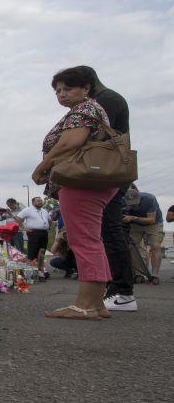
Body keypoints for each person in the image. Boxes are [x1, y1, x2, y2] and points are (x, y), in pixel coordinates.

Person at [32, 66, 117, 320]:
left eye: (67, 88)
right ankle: (96, 302)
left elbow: (71, 141)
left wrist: (42, 167)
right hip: (94, 183)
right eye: (57, 90)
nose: (61, 94)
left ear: (86, 88)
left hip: (80, 182)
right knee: (92, 240)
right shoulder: (91, 110)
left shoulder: (85, 109)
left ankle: (85, 304)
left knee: (83, 241)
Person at [76, 67, 136, 312]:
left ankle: (123, 292)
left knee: (110, 232)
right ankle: (115, 289)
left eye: (69, 88)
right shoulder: (108, 99)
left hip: (106, 173)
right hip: (107, 174)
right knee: (105, 232)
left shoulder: (106, 101)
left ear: (87, 85)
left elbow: (97, 135)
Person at [123, 185, 163, 283]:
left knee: (155, 246)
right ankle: (138, 274)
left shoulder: (149, 199)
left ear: (139, 197)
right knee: (132, 246)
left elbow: (151, 219)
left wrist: (133, 218)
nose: (133, 206)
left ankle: (155, 275)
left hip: (153, 223)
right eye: (130, 204)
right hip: (135, 224)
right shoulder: (122, 200)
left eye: (135, 204)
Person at [17, 197, 52, 279]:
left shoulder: (44, 211)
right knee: (32, 252)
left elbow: (50, 220)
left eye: (41, 201)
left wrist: (48, 227)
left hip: (44, 232)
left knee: (42, 251)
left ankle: (41, 270)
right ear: (33, 202)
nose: (40, 202)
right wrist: (24, 228)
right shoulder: (28, 210)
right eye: (38, 201)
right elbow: (18, 218)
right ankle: (32, 271)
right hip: (33, 232)